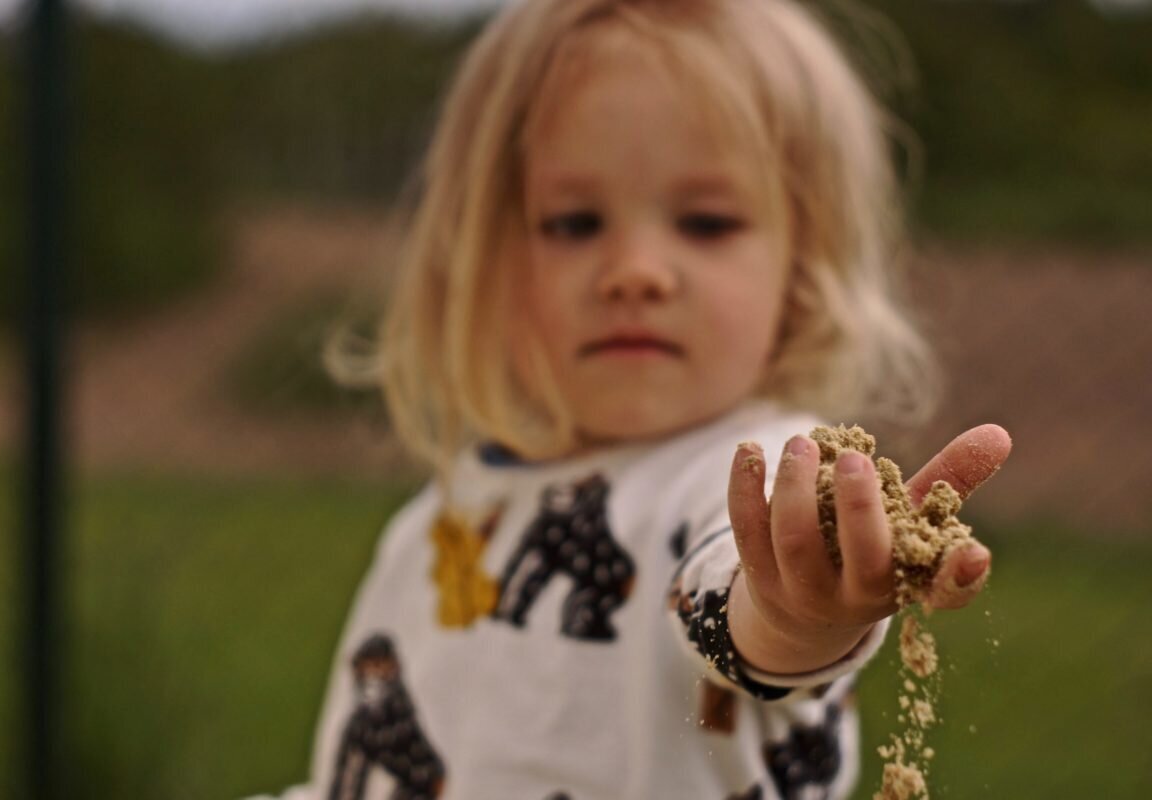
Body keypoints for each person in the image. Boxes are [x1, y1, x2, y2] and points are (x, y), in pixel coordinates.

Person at [254, 1, 1011, 798]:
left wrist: (795, 611)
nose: (636, 270)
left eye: (707, 222)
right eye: (576, 222)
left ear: (800, 271)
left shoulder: (753, 468)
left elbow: (731, 586)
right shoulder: (444, 518)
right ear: (489, 258)